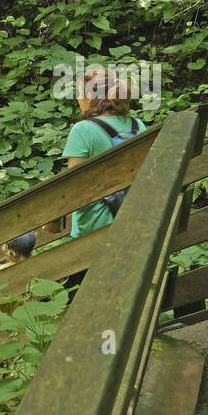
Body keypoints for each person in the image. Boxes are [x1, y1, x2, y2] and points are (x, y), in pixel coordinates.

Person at [49, 65, 145, 289]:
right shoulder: (137, 125)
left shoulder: (83, 130)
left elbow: (74, 186)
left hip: (93, 226)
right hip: (132, 219)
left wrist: (54, 219)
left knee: (80, 293)